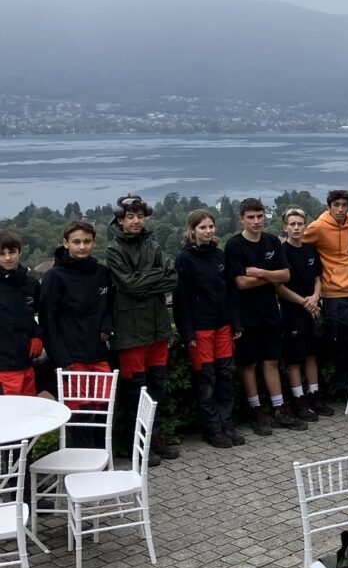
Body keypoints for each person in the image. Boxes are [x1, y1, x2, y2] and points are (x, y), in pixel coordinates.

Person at [106, 195, 179, 462]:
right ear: (120, 219)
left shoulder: (154, 245)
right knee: (135, 390)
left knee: (156, 385)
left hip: (158, 326)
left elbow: (172, 278)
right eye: (130, 217)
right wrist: (153, 276)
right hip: (130, 331)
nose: (136, 221)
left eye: (139, 216)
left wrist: (142, 280)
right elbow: (129, 285)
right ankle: (137, 443)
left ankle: (154, 437)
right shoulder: (113, 250)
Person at [225, 198, 306, 435]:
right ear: (242, 219)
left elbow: (286, 276)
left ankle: (280, 408)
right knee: (248, 364)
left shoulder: (271, 241)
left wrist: (259, 272)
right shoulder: (234, 245)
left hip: (271, 312)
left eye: (260, 216)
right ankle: (257, 411)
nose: (256, 221)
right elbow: (240, 282)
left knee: (271, 361)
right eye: (251, 217)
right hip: (246, 315)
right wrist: (272, 276)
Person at [38, 222, 115, 454]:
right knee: (79, 413)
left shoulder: (102, 273)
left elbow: (110, 308)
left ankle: (102, 459)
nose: (82, 247)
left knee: (103, 410)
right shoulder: (54, 277)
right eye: (76, 242)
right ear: (65, 243)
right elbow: (47, 322)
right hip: (72, 359)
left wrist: (107, 324)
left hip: (99, 355)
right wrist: (62, 360)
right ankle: (82, 464)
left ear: (94, 243)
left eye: (87, 241)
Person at [173, 209, 244, 449]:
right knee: (206, 380)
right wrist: (187, 332)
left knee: (225, 376)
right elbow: (180, 298)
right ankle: (212, 429)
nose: (208, 231)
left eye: (211, 226)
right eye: (203, 227)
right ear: (192, 230)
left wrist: (235, 322)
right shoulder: (184, 259)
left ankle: (227, 425)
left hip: (223, 325)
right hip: (200, 329)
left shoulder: (220, 255)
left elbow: (231, 292)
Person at [303, 189, 348, 402]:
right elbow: (297, 244)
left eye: (344, 205)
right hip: (332, 293)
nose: (340, 209)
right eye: (336, 205)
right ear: (329, 206)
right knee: (340, 343)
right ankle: (345, 390)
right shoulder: (317, 227)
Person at [276, 208, 329, 420]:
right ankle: (299, 400)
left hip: (312, 310)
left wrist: (315, 297)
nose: (297, 228)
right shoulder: (281, 252)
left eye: (300, 223)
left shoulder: (310, 250)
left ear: (305, 225)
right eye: (292, 224)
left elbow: (318, 278)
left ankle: (314, 395)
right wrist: (304, 302)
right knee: (294, 359)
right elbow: (278, 287)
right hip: (291, 313)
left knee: (311, 355)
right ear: (285, 227)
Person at [0, 231, 43, 397]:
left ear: (20, 252)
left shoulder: (31, 284)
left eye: (11, 252)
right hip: (3, 369)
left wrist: (37, 335)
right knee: (7, 418)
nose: (7, 258)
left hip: (26, 363)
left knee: (28, 415)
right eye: (2, 254)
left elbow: (32, 317)